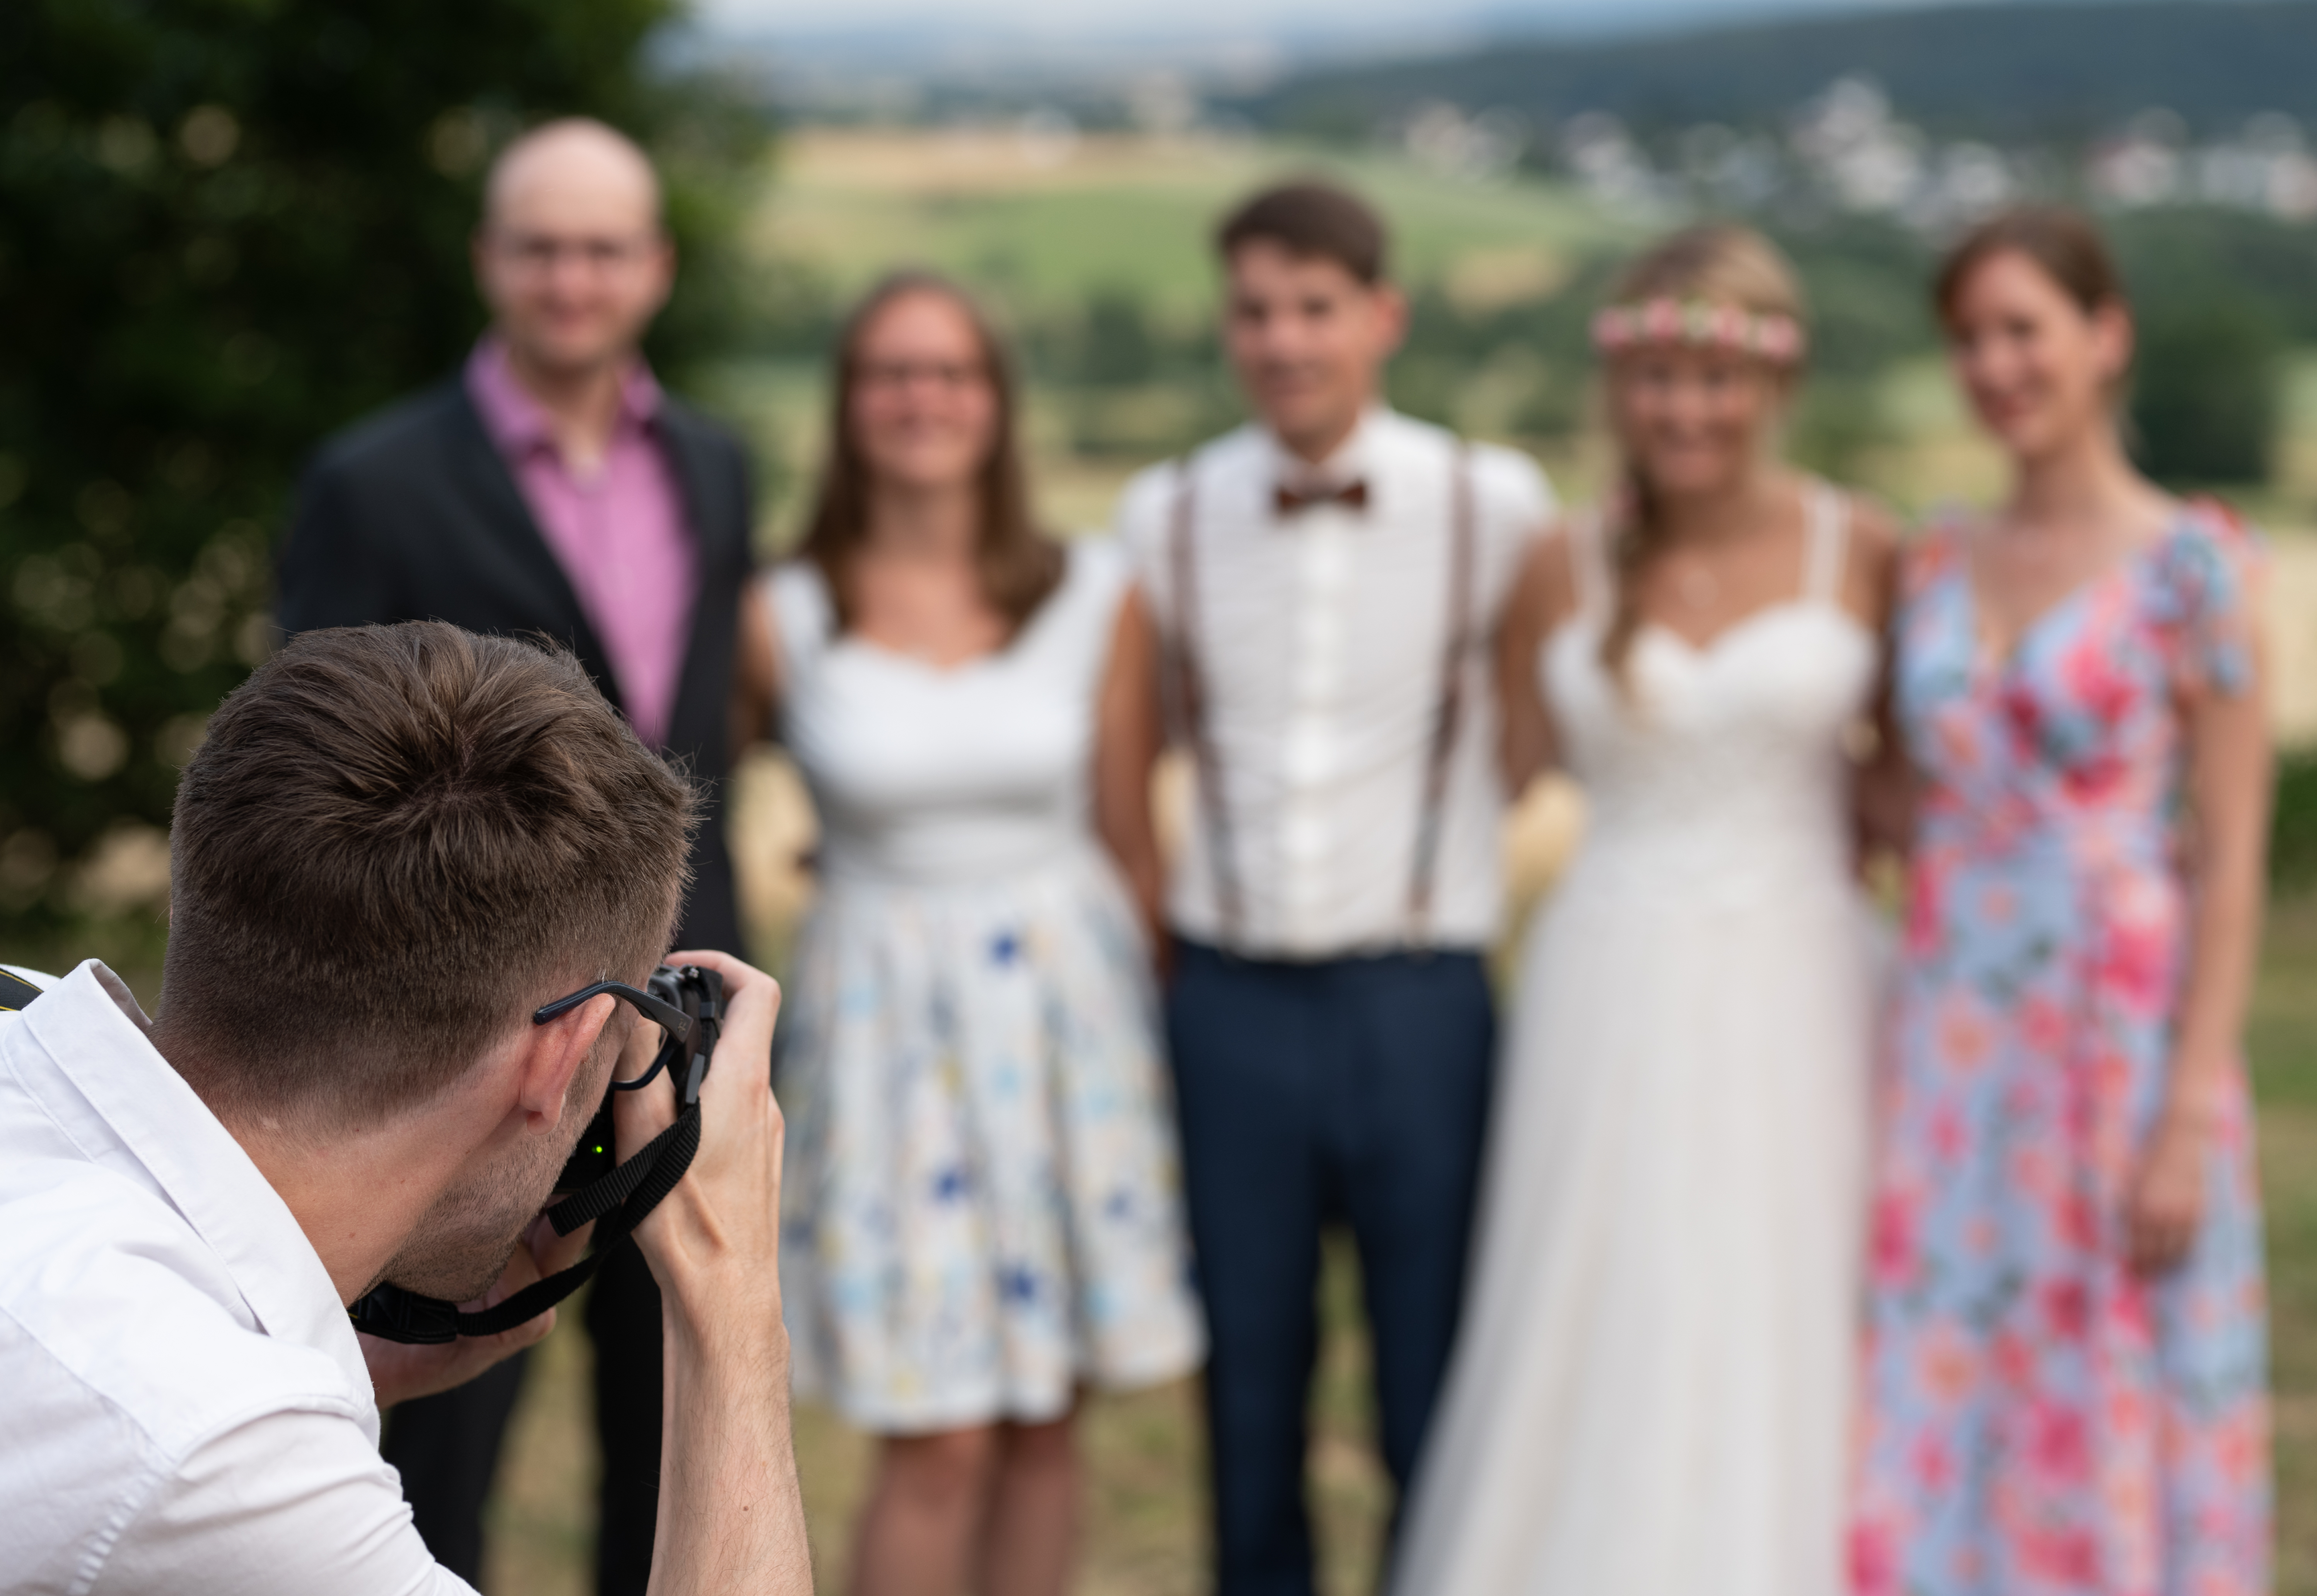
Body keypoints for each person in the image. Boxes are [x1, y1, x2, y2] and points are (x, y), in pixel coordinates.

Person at [0, 622, 810, 1596]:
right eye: (622, 1040)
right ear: (559, 1056)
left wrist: (335, 1357)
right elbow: (158, 1442)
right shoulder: (208, 1449)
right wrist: (731, 1303)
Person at [276, 119, 754, 1590]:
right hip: (466, 1033)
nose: (571, 277)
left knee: (668, 1410)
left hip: (678, 1006)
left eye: (603, 246)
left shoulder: (722, 468)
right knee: (437, 1435)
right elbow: (314, 792)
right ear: (490, 260)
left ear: (655, 270)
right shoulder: (374, 483)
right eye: (540, 245)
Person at [1390, 225, 1897, 1596]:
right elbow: (1479, 768)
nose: (1688, 408)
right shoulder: (1560, 565)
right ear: (1620, 386)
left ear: (1773, 383)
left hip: (1804, 976)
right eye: (1659, 376)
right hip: (1609, 981)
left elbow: (1914, 793)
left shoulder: (1862, 550)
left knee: (1793, 1296)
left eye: (1716, 377)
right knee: (1604, 1301)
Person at [1109, 181, 1556, 1595]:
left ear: (1383, 317)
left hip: (1421, 993)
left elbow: (1553, 724)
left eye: (1315, 309)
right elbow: (1128, 751)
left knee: (1435, 1378)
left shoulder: (1496, 504)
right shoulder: (1164, 513)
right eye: (1255, 310)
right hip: (1229, 998)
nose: (1284, 340)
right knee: (1249, 1385)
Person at [737, 273, 1203, 1596]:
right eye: (890, 371)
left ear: (997, 403)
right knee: (936, 1430)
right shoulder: (784, 613)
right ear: (848, 404)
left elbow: (1129, 836)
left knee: (1048, 1415)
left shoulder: (1094, 594)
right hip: (886, 1033)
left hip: (1068, 1024)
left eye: (950, 372)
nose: (920, 398)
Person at [1851, 207, 2273, 1596]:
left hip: (2117, 1039)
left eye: (2022, 328)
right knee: (1943, 1375)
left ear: (2106, 338)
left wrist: (2184, 1116)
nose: (1993, 364)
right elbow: (1891, 798)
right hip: (1950, 1043)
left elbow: (2229, 856)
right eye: (1968, 337)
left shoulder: (2192, 568)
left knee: (2097, 1384)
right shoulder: (1928, 561)